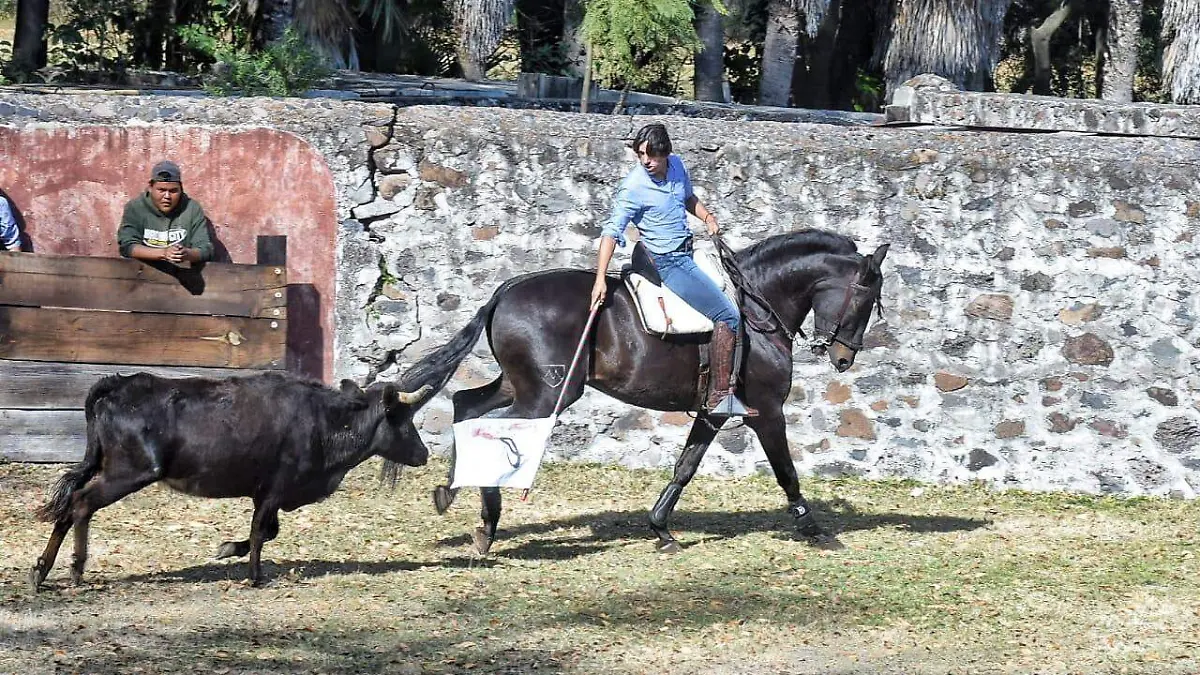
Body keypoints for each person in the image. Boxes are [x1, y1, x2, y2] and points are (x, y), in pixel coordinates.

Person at [591, 123, 756, 417]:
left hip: (688, 249)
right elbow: (610, 231)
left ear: (666, 152)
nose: (646, 161)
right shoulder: (633, 187)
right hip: (667, 261)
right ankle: (719, 396)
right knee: (727, 315)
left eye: (652, 155)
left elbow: (687, 197)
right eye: (641, 154)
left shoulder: (677, 166)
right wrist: (600, 278)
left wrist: (707, 216)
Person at [117, 160, 214, 265]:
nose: (167, 196)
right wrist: (163, 253)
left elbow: (206, 250)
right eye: (161, 190)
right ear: (150, 187)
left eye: (173, 191)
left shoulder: (192, 209)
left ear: (181, 189)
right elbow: (127, 246)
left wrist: (187, 254)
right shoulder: (135, 208)